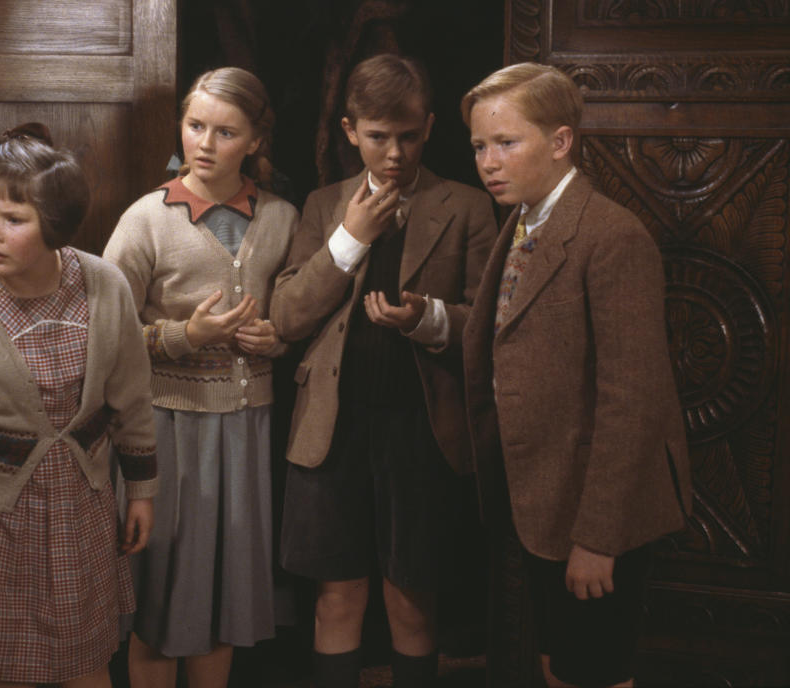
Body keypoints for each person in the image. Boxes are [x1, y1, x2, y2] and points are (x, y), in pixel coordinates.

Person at [0, 122, 158, 688]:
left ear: (55, 226)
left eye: (13, 220)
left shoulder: (104, 287)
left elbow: (132, 399)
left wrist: (140, 490)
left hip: (78, 509)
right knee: (6, 670)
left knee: (87, 666)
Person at [460, 62, 693, 688]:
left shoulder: (611, 237)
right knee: (559, 666)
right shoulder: (525, 221)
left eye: (507, 143)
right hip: (542, 500)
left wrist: (599, 539)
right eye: (480, 145)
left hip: (595, 511)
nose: (489, 161)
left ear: (561, 142)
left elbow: (633, 400)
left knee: (593, 671)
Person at [270, 53, 497, 687]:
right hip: (332, 433)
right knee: (336, 598)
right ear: (349, 130)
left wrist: (426, 319)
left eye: (407, 136)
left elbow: (487, 327)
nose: (393, 153)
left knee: (411, 601)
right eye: (377, 137)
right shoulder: (322, 205)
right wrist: (349, 238)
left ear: (427, 126)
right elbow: (286, 316)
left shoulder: (469, 207)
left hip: (421, 434)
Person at [102, 67, 299, 688]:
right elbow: (102, 334)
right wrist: (186, 336)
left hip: (247, 428)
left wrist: (279, 338)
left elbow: (296, 310)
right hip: (168, 429)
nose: (205, 143)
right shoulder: (146, 220)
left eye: (224, 131)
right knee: (163, 602)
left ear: (256, 141)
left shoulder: (282, 218)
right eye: (195, 126)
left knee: (224, 600)